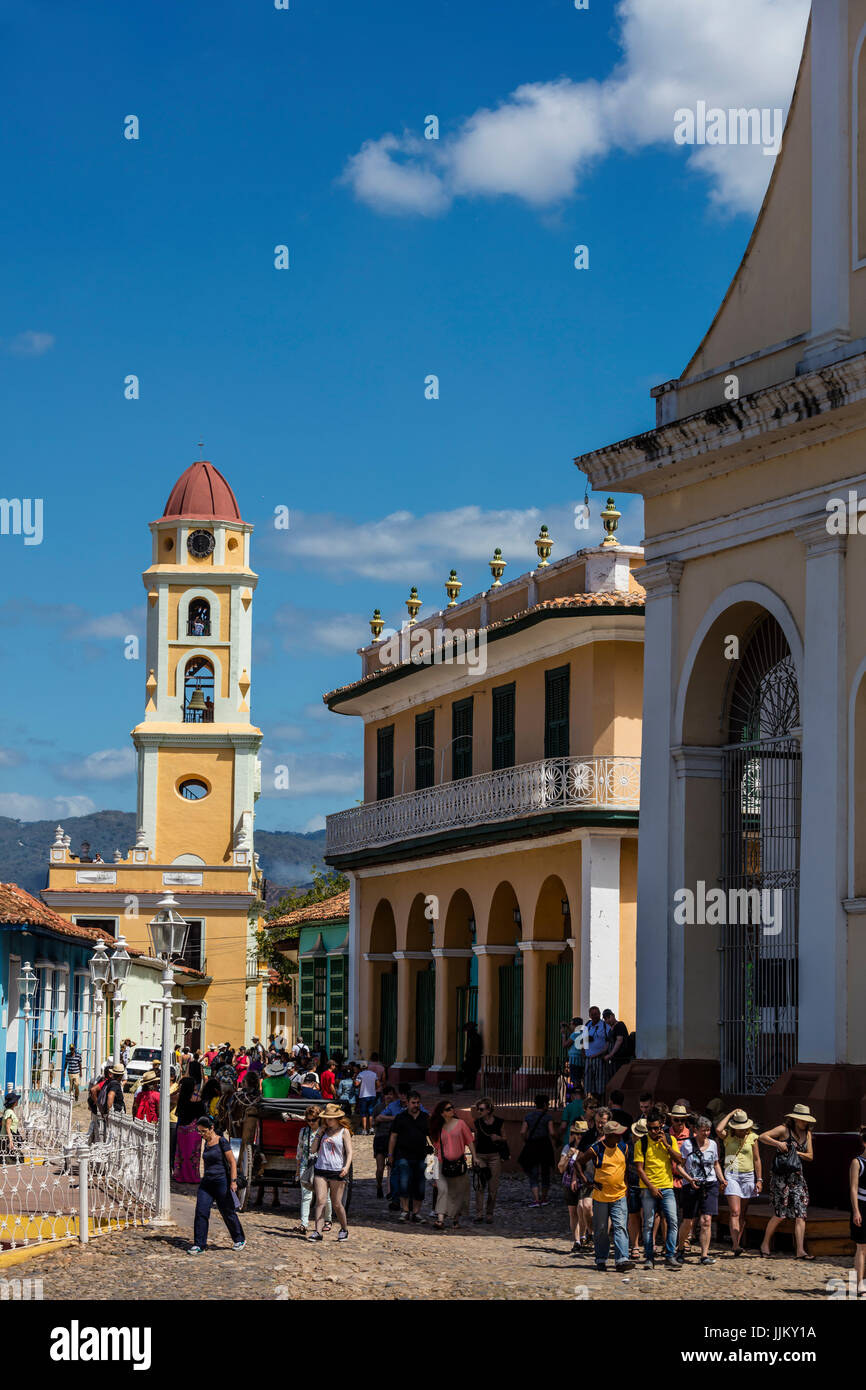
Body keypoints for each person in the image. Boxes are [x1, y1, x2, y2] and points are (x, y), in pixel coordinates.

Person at [633, 1107, 694, 1270]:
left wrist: (666, 1145)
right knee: (648, 1223)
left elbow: (680, 1160)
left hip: (667, 1186)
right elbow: (639, 1169)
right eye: (651, 1128)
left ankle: (669, 1255)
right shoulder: (641, 1143)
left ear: (662, 1127)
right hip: (648, 1188)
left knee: (673, 1220)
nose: (654, 1131)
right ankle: (649, 1257)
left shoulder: (670, 1140)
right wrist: (651, 1187)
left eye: (657, 1128)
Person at [575, 1119, 635, 1273]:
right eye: (617, 1134)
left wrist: (627, 1189)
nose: (621, 1137)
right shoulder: (596, 1149)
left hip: (620, 1195)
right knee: (601, 1229)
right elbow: (577, 1162)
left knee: (620, 1227)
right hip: (601, 1197)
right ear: (608, 1136)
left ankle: (622, 1260)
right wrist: (585, 1180)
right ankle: (601, 1259)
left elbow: (625, 1170)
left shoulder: (624, 1147)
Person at [759, 1104, 815, 1259]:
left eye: (806, 1120)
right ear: (795, 1119)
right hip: (781, 1177)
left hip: (797, 1177)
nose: (805, 1123)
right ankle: (765, 1243)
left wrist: (794, 1152)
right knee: (780, 1214)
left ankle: (800, 1250)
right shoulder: (784, 1130)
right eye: (802, 1120)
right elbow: (762, 1136)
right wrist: (778, 1143)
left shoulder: (807, 1133)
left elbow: (810, 1156)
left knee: (801, 1214)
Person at [188, 1114, 246, 1254]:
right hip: (207, 1182)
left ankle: (239, 1239)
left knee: (227, 1212)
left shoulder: (222, 1141)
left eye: (203, 1131)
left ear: (211, 1128)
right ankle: (199, 1244)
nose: (201, 1134)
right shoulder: (205, 1143)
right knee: (201, 1211)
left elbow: (232, 1161)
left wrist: (233, 1181)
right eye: (199, 1131)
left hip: (222, 1182)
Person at [677, 1115, 726, 1265]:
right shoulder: (687, 1145)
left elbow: (716, 1163)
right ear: (696, 1130)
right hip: (691, 1185)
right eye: (703, 1130)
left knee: (706, 1220)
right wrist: (689, 1179)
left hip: (709, 1185)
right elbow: (680, 1166)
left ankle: (704, 1254)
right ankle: (680, 1249)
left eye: (708, 1130)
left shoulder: (712, 1144)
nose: (706, 1133)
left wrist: (722, 1179)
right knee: (688, 1221)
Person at [715, 1108, 762, 1255]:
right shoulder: (728, 1136)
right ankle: (735, 1245)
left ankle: (738, 1242)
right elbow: (718, 1128)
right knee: (734, 1211)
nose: (742, 1131)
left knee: (742, 1213)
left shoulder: (752, 1137)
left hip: (748, 1175)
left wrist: (759, 1179)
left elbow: (756, 1159)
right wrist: (729, 1114)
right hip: (732, 1175)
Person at [308, 1103, 352, 1241]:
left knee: (336, 1203)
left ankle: (344, 1229)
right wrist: (319, 1134)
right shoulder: (322, 1132)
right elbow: (313, 1150)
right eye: (326, 1118)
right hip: (321, 1169)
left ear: (337, 1118)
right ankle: (318, 1231)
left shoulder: (344, 1131)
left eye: (330, 1118)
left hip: (337, 1171)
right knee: (320, 1201)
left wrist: (346, 1167)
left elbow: (350, 1152)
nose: (327, 1121)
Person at [430, 1100, 476, 1230]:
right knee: (442, 1189)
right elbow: (436, 1148)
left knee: (457, 1192)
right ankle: (440, 1219)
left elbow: (470, 1141)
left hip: (458, 1163)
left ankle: (455, 1219)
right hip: (440, 1163)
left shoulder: (461, 1124)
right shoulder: (437, 1128)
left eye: (452, 1108)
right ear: (442, 1113)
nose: (452, 1110)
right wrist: (431, 1169)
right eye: (448, 1109)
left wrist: (475, 1157)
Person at [388, 1090, 430, 1223]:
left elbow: (431, 1136)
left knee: (420, 1185)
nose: (416, 1105)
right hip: (403, 1155)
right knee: (404, 1183)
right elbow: (393, 1137)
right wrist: (390, 1154)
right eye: (413, 1103)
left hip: (421, 1155)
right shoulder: (400, 1118)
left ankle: (416, 1213)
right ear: (408, 1103)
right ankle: (405, 1210)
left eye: (418, 1103)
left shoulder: (425, 1117)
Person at [296, 1104, 332, 1235]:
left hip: (322, 1167)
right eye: (309, 1120)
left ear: (319, 1119)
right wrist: (298, 1169)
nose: (311, 1123)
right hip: (307, 1166)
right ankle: (304, 1223)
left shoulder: (325, 1133)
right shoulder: (304, 1132)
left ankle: (328, 1220)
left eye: (314, 1120)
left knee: (325, 1197)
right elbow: (299, 1151)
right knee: (306, 1196)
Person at [472, 1097, 508, 1224]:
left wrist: (498, 1138)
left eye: (481, 1109)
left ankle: (489, 1213)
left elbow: (505, 1138)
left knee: (493, 1187)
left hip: (494, 1156)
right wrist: (474, 1157)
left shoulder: (499, 1122)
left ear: (488, 1110)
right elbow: (475, 1140)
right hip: (481, 1155)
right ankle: (479, 1213)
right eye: (478, 1109)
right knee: (479, 1186)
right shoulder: (477, 1123)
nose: (479, 1111)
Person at [518, 1094, 556, 1208]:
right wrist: (557, 1140)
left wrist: (525, 1141)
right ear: (544, 1104)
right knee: (545, 1173)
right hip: (545, 1145)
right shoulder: (548, 1117)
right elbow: (552, 1132)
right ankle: (544, 1198)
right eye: (548, 1104)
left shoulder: (528, 1116)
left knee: (533, 1173)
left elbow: (522, 1131)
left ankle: (536, 1199)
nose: (548, 1106)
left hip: (532, 1145)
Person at [558, 1119, 588, 1253]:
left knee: (584, 1209)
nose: (580, 1136)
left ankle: (584, 1235)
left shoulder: (588, 1148)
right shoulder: (568, 1148)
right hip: (568, 1181)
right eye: (577, 1133)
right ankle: (576, 1241)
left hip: (584, 1182)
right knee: (573, 1212)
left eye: (582, 1134)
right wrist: (568, 1156)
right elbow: (560, 1168)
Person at [372, 1085, 403, 1198]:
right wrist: (390, 1118)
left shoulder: (397, 1107)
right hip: (380, 1138)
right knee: (380, 1168)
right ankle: (379, 1185)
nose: (389, 1096)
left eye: (391, 1094)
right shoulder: (378, 1107)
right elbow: (374, 1122)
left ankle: (390, 1191)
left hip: (393, 1139)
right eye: (387, 1094)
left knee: (391, 1167)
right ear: (383, 1096)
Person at [173, 1077, 206, 1183]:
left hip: (182, 1130)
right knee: (193, 1155)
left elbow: (178, 1114)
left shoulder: (181, 1098)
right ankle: (192, 1177)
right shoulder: (198, 1099)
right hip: (194, 1131)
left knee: (182, 1155)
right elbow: (202, 1115)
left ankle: (180, 1176)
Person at [849, 1125, 866, 1294]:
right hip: (862, 1205)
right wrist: (856, 1211)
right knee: (861, 1247)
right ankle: (859, 1283)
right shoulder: (857, 1162)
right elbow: (853, 1188)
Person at [582, 1007, 610, 1101]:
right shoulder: (587, 1025)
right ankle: (593, 1104)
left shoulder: (605, 1026)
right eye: (593, 1014)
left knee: (600, 1085)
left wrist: (601, 1054)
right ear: (590, 1015)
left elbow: (608, 1042)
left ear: (599, 1014)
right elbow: (583, 1040)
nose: (595, 1016)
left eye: (597, 1014)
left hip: (599, 1059)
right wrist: (583, 1053)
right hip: (588, 1059)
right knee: (589, 1084)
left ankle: (601, 1103)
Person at [601, 1009, 630, 1085]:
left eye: (608, 1017)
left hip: (621, 1059)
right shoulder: (610, 1030)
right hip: (614, 1060)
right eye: (605, 1019)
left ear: (613, 1015)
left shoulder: (620, 1025)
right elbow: (607, 1043)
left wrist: (611, 1054)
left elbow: (619, 1040)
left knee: (619, 1080)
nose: (607, 1020)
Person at [355, 1062, 379, 1134]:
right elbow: (378, 1084)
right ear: (367, 1067)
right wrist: (373, 1088)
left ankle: (364, 1130)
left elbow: (356, 1084)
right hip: (372, 1095)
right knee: (370, 1112)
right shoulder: (373, 1074)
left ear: (361, 1068)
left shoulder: (360, 1074)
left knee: (363, 1113)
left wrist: (355, 1080)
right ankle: (371, 1128)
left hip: (363, 1095)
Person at [562, 1016, 585, 1087]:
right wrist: (568, 1027)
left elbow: (565, 1045)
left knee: (575, 1081)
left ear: (575, 1025)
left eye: (571, 1024)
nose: (570, 1025)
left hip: (574, 1060)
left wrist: (563, 1034)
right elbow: (573, 1032)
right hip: (581, 1060)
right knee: (579, 1079)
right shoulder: (582, 1032)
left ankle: (577, 1096)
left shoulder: (575, 1034)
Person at [461, 1022, 483, 1092]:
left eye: (468, 1030)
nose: (467, 1032)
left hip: (474, 1059)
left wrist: (470, 1054)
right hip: (471, 1059)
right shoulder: (472, 1037)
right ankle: (467, 1085)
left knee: (471, 1072)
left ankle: (470, 1085)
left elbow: (476, 1049)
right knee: (467, 1070)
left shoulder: (475, 1037)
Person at [0, 1093, 20, 1159]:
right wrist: (11, 1141)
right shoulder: (9, 1112)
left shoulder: (9, 1111)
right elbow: (8, 1127)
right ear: (13, 1102)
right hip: (7, 1139)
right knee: (10, 1159)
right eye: (16, 1100)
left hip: (7, 1138)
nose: (17, 1101)